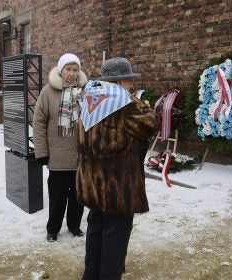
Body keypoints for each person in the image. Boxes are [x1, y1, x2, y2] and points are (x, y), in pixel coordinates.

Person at [76, 57, 158, 279]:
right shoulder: (125, 104)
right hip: (118, 187)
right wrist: (138, 101)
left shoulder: (90, 99)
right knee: (115, 239)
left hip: (93, 182)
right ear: (121, 82)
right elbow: (151, 124)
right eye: (130, 81)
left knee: (96, 230)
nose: (132, 85)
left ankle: (91, 275)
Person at [33, 53, 87, 242]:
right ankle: (53, 229)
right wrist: (41, 152)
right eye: (68, 69)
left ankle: (74, 225)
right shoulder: (48, 92)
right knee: (57, 198)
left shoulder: (85, 92)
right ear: (60, 70)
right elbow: (38, 122)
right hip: (57, 156)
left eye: (75, 70)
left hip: (80, 156)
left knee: (78, 198)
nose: (72, 74)